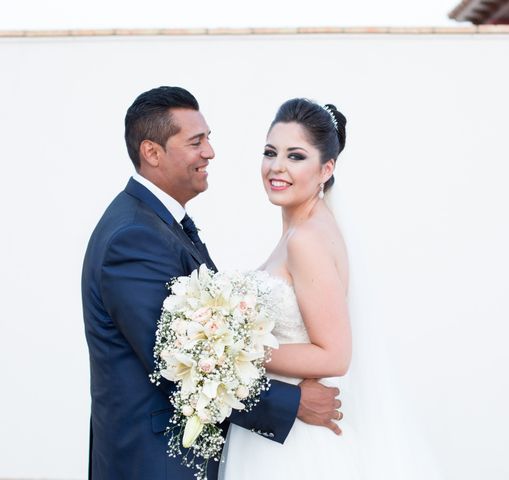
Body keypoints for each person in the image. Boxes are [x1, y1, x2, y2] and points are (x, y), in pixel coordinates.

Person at [81, 87, 341, 480]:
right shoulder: (133, 238)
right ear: (152, 153)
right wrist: (292, 403)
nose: (210, 153)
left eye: (208, 139)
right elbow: (176, 362)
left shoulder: (160, 224)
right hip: (155, 462)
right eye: (196, 142)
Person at [220, 98, 359, 479]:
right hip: (277, 430)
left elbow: (334, 355)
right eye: (270, 152)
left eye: (295, 156)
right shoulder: (303, 230)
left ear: (325, 169)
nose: (277, 167)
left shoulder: (306, 240)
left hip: (294, 443)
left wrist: (237, 349)